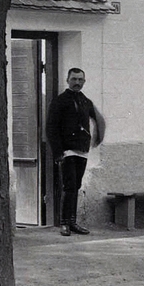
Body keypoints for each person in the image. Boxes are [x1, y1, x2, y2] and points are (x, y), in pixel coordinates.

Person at [45, 67, 106, 236]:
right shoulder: (60, 101)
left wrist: (95, 138)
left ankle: (73, 222)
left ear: (84, 82)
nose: (77, 82)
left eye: (80, 80)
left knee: (76, 186)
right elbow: (51, 128)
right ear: (67, 80)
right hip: (67, 151)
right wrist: (58, 152)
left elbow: (97, 118)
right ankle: (64, 223)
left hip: (82, 150)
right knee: (69, 186)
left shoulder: (85, 101)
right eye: (74, 79)